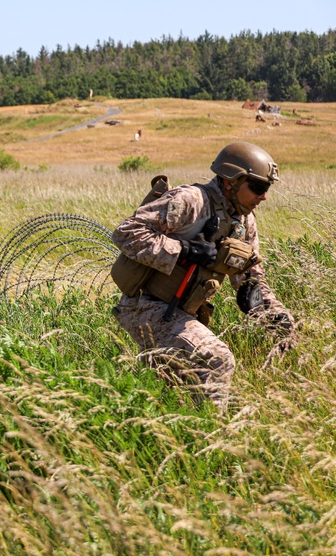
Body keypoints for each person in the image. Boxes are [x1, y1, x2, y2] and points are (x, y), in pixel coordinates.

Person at [110, 142, 294, 407]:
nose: (264, 197)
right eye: (259, 188)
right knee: (217, 359)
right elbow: (126, 233)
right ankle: (212, 437)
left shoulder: (244, 221)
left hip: (182, 313)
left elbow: (252, 279)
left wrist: (277, 317)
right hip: (146, 306)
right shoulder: (190, 200)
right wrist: (182, 249)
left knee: (171, 395)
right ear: (231, 181)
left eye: (267, 189)